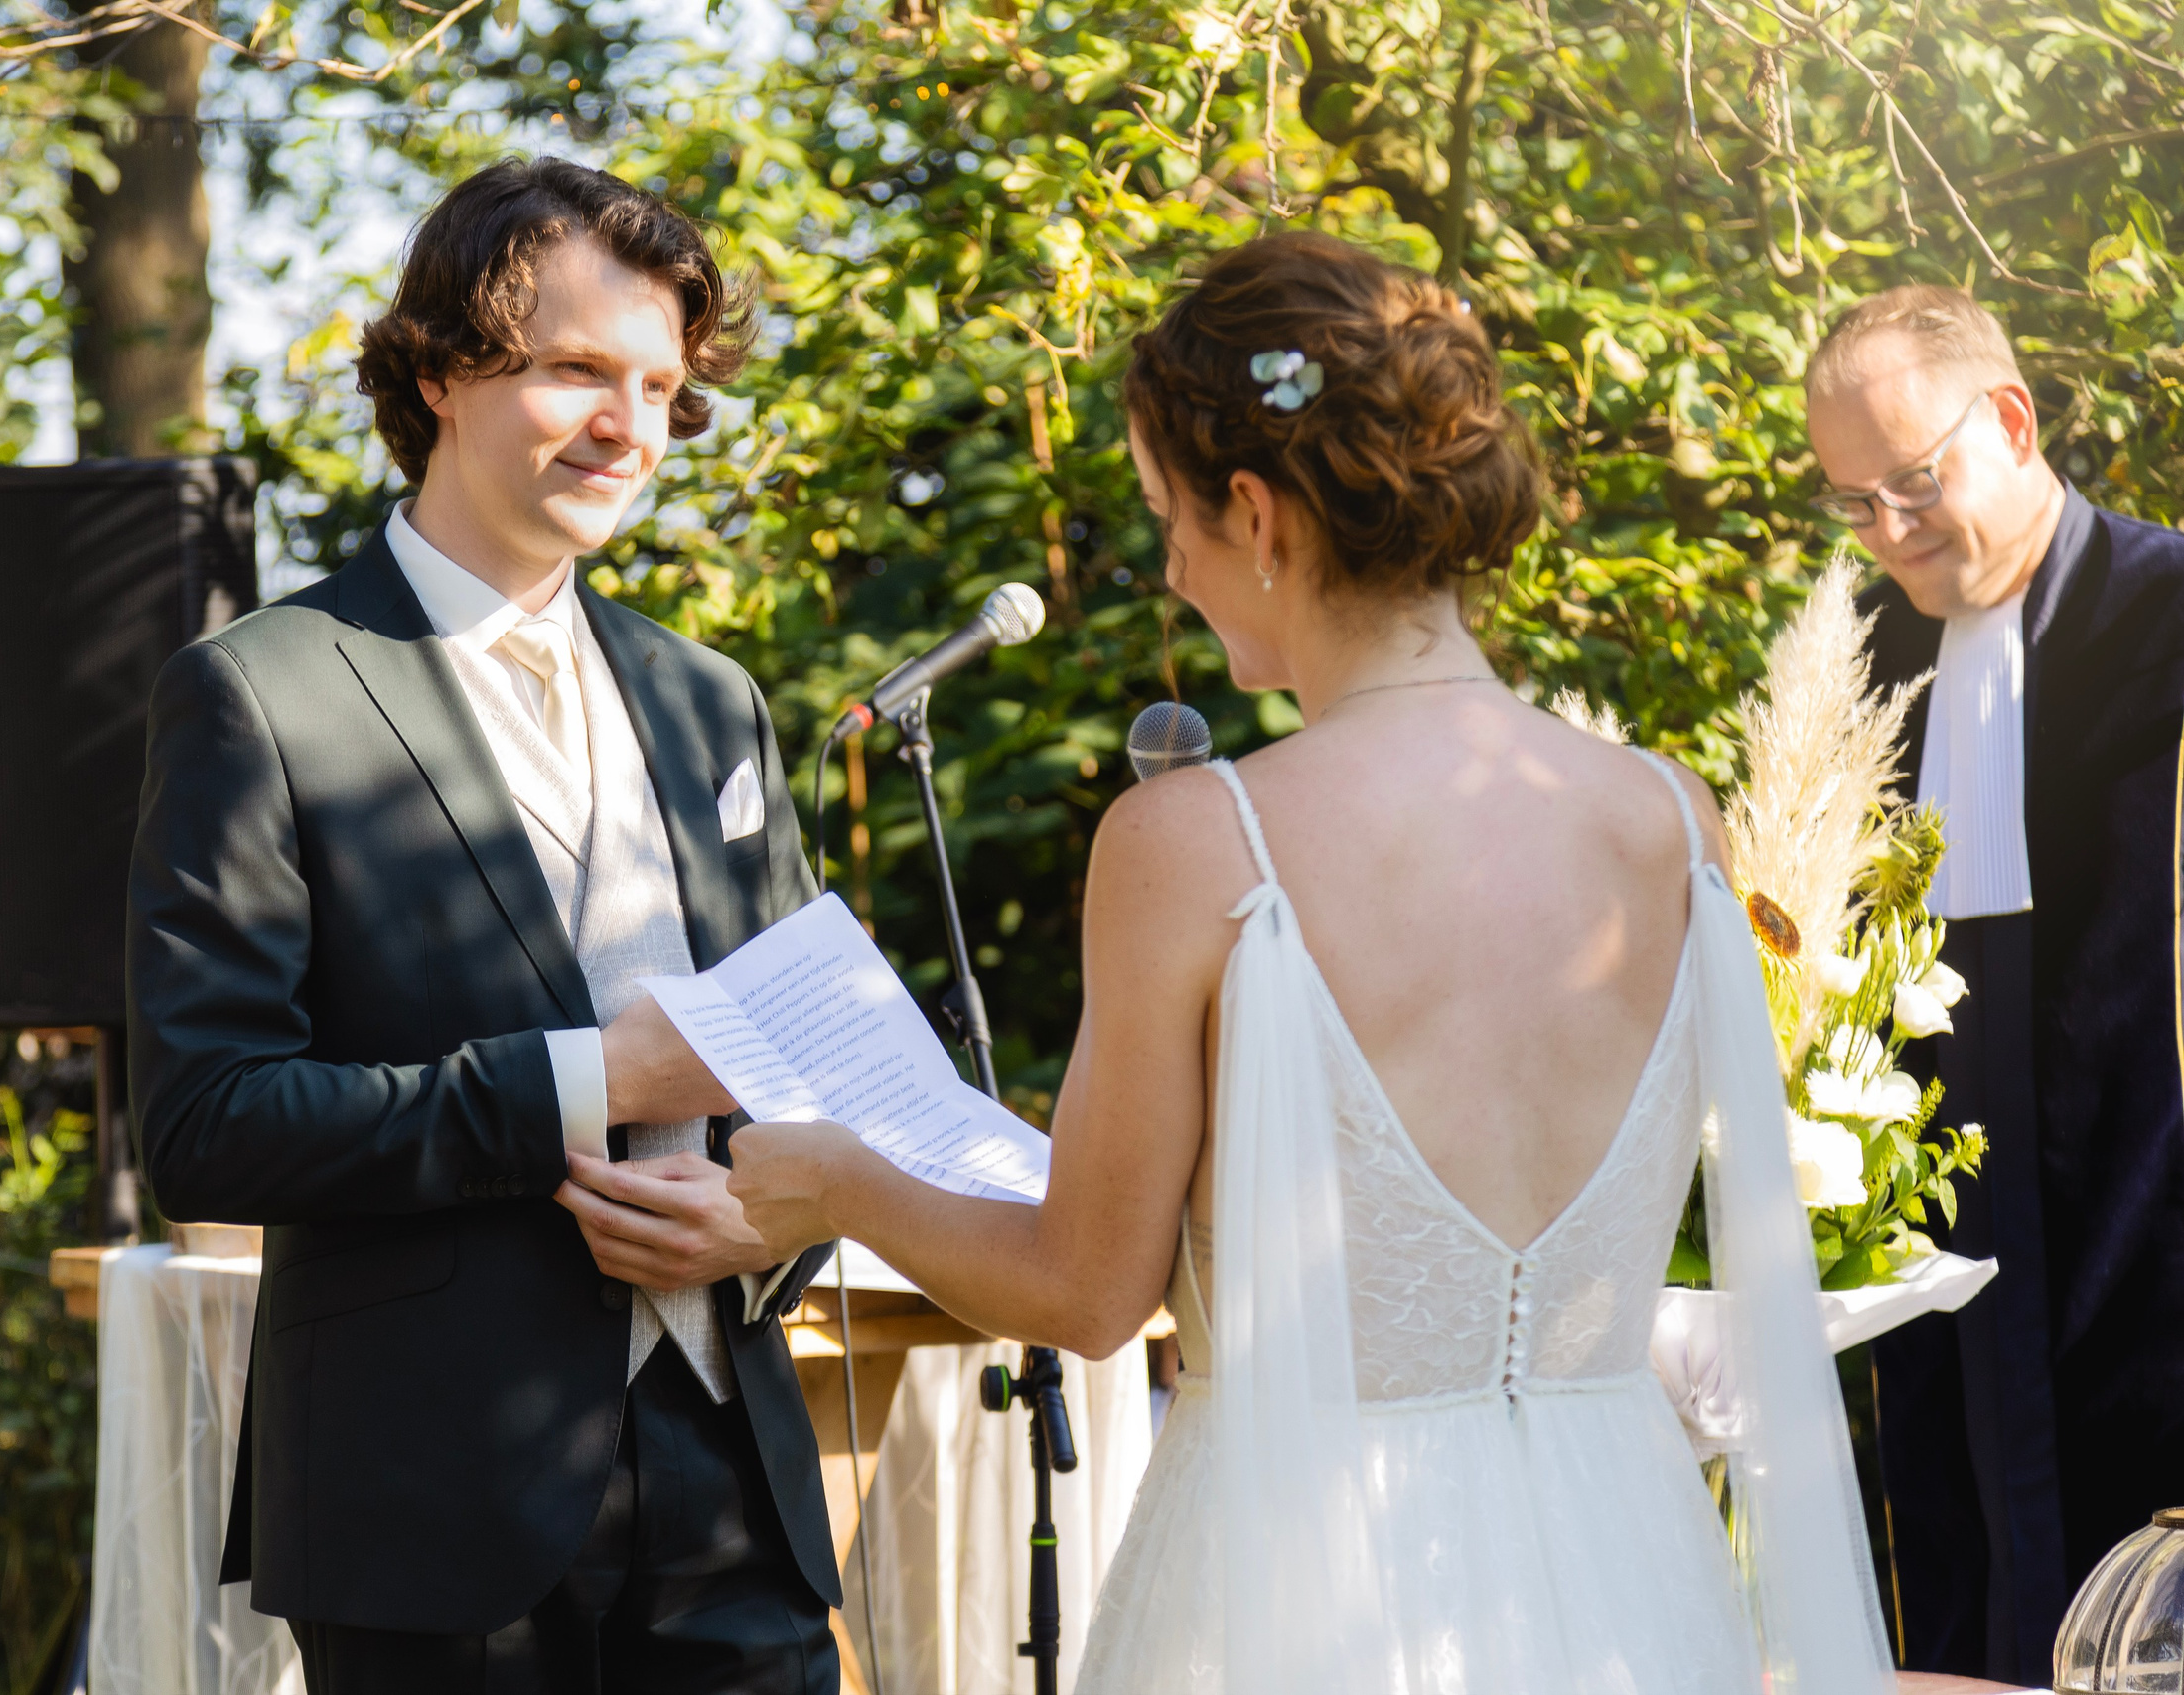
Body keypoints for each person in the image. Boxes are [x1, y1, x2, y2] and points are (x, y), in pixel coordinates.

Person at [727, 232, 1892, 1693]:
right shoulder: (1666, 818)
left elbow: (1087, 1293)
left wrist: (835, 1180)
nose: (1170, 570)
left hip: (1309, 1587)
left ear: (1261, 518)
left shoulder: (1196, 843)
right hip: (1629, 1577)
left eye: (1170, 521)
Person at [126, 158, 842, 1695]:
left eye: (658, 386)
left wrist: (778, 1219)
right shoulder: (263, 688)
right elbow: (207, 1124)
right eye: (579, 369)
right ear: (444, 370)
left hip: (735, 1478)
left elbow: (809, 1059)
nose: (630, 429)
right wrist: (592, 1084)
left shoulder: (713, 703)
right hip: (427, 1499)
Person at [1806, 286, 2184, 1685]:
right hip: (1942, 1240)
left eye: (1916, 481)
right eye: (1854, 503)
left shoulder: (2167, 614)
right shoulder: (1858, 661)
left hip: (2148, 1216)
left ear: (2012, 421)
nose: (1892, 532)